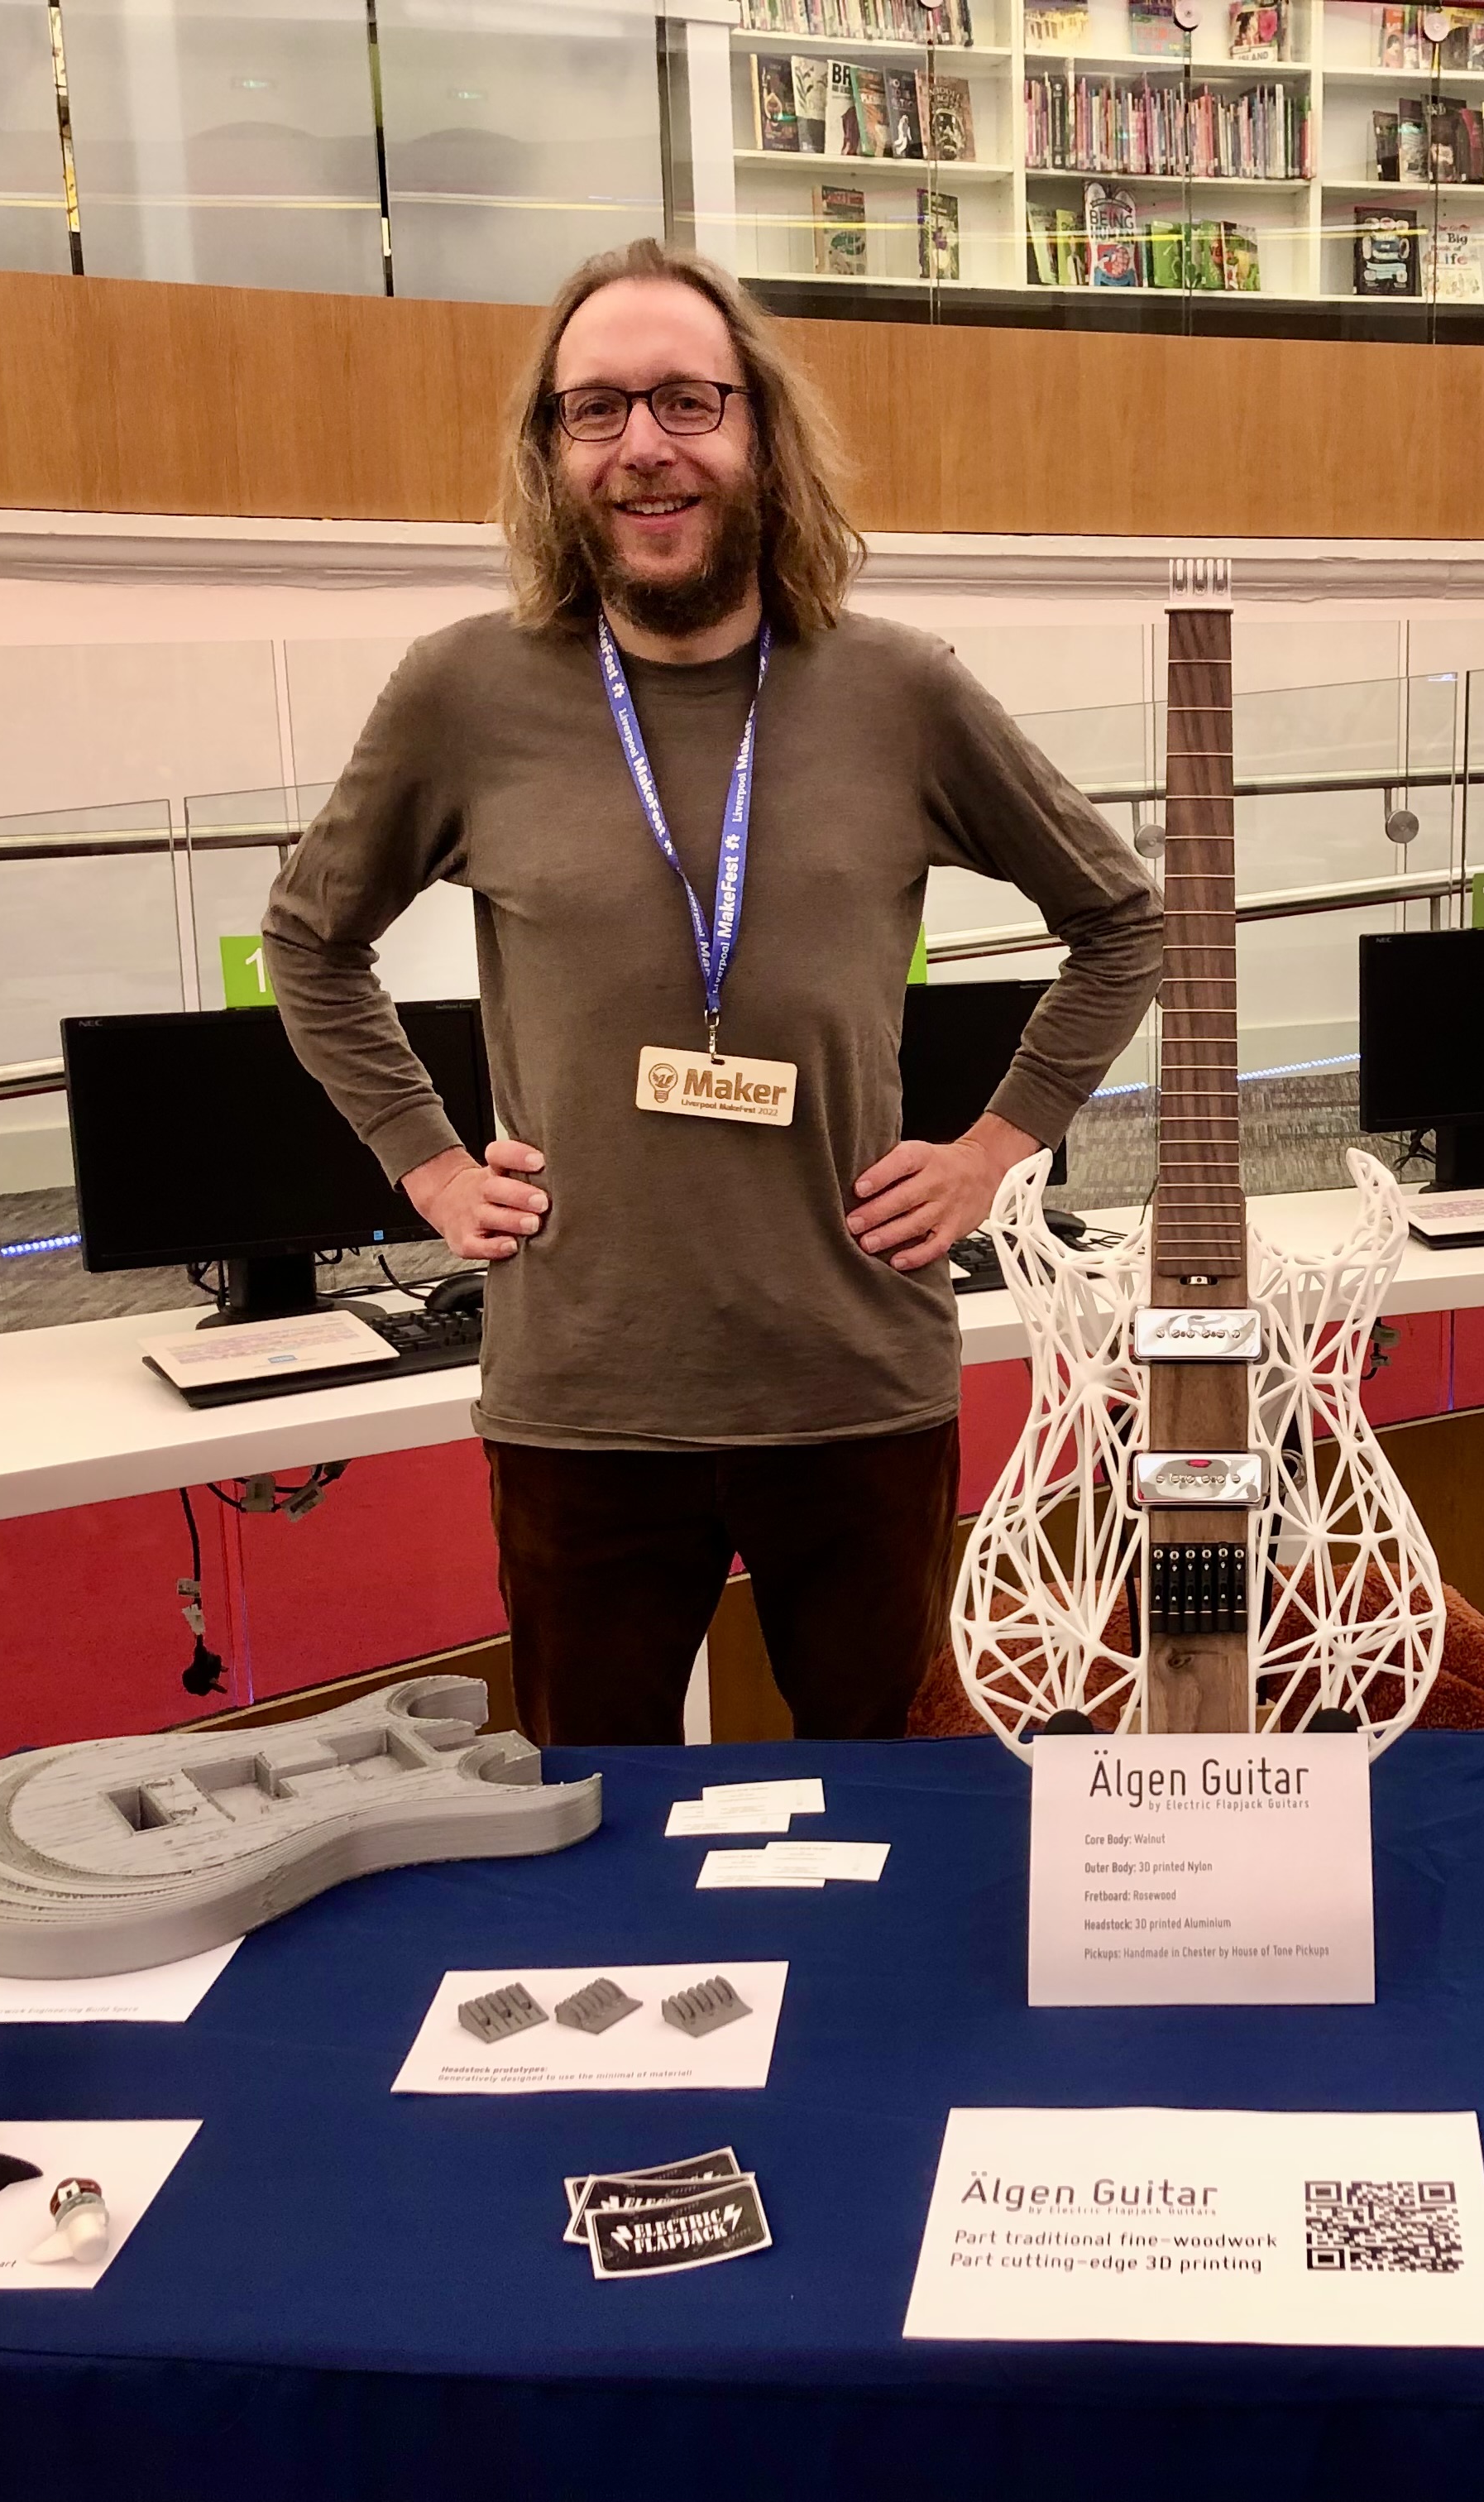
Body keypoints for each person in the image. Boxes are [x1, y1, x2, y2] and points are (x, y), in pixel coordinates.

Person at [264, 239, 1158, 1745]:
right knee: (596, 1834)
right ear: (553, 455)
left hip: (853, 1381)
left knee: (886, 1821)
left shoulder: (901, 690)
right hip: (588, 1394)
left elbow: (1125, 922)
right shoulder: (463, 692)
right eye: (596, 410)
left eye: (689, 401)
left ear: (760, 433)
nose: (644, 447)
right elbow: (310, 939)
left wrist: (993, 1153)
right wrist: (422, 1165)